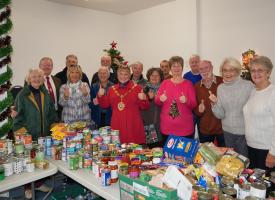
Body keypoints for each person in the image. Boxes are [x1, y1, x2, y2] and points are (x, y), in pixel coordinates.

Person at [211, 58, 253, 156]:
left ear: (237, 71)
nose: (228, 73)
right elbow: (220, 115)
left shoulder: (248, 86)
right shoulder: (220, 88)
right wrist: (214, 104)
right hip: (227, 132)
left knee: (244, 163)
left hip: (244, 133)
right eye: (225, 70)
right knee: (232, 164)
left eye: (231, 70)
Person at [97, 65, 149, 144]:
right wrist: (100, 96)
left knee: (135, 152)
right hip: (117, 124)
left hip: (133, 124)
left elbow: (145, 107)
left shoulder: (137, 88)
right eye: (121, 74)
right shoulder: (112, 89)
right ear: (117, 75)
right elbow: (105, 105)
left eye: (126, 74)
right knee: (118, 151)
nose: (123, 76)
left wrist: (144, 99)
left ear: (129, 75)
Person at [155, 56, 197, 144]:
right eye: (174, 66)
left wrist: (186, 101)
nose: (176, 68)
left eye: (179, 66)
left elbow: (194, 104)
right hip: (167, 127)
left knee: (184, 156)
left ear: (182, 68)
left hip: (185, 128)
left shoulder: (188, 84)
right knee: (168, 156)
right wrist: (160, 99)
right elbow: (157, 102)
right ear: (170, 68)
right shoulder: (165, 83)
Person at [243, 56, 275, 169]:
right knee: (254, 184)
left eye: (260, 70)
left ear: (268, 72)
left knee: (267, 186)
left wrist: (273, 153)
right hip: (251, 147)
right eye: (253, 70)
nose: (256, 73)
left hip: (266, 151)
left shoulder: (272, 93)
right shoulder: (253, 91)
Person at [13, 68, 58, 141]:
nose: (37, 79)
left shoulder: (46, 94)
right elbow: (17, 118)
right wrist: (23, 137)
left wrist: (55, 131)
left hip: (46, 137)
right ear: (29, 79)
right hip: (28, 137)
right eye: (34, 77)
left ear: (43, 79)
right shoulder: (22, 95)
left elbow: (52, 115)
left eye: (40, 76)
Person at [194, 60, 224, 146]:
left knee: (225, 157)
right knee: (207, 157)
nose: (204, 71)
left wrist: (217, 102)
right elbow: (195, 110)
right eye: (201, 69)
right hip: (205, 129)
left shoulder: (222, 82)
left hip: (222, 128)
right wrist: (199, 110)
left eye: (206, 68)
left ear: (212, 68)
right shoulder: (196, 86)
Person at [141, 67, 164, 147]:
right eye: (152, 75)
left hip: (162, 124)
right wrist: (148, 98)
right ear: (148, 77)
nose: (154, 77)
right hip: (148, 124)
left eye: (157, 75)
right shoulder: (143, 89)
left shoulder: (164, 89)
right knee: (150, 148)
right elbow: (140, 106)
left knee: (161, 147)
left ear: (160, 77)